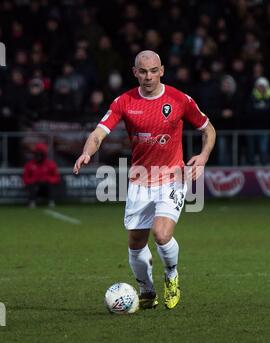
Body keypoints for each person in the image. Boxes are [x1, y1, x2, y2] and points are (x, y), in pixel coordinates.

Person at [73, 50, 216, 310]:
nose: (148, 76)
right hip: (140, 179)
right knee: (136, 242)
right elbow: (99, 133)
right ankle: (147, 291)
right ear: (135, 72)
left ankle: (171, 274)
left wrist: (204, 156)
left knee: (161, 234)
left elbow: (208, 128)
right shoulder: (124, 101)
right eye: (143, 71)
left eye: (153, 71)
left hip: (173, 176)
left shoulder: (179, 99)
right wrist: (86, 152)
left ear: (161, 70)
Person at [23, 142, 61, 208]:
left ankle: (51, 202)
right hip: (35, 186)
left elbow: (57, 178)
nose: (38, 156)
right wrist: (33, 180)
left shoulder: (50, 164)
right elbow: (25, 178)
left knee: (50, 186)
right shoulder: (29, 164)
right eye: (36, 154)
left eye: (40, 154)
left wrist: (48, 180)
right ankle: (32, 202)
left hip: (46, 186)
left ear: (44, 155)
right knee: (32, 186)